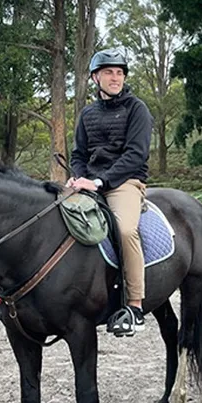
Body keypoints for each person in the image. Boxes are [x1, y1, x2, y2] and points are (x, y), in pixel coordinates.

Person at [69, 49, 154, 337]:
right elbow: (78, 153)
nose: (115, 77)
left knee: (126, 230)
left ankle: (135, 306)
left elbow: (135, 154)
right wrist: (80, 177)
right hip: (89, 182)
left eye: (119, 72)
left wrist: (101, 182)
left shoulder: (137, 109)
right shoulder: (87, 114)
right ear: (95, 77)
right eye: (108, 72)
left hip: (124, 182)